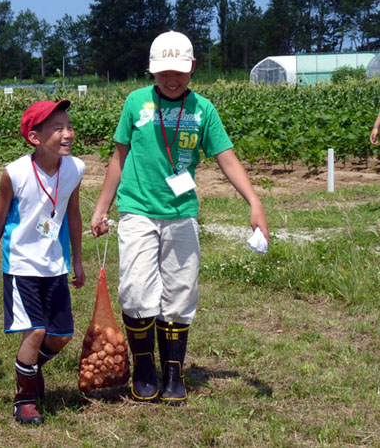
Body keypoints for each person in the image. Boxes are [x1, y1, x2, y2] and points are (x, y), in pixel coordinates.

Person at [90, 31, 269, 406]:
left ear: (192, 68)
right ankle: (144, 369)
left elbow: (226, 157)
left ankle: (173, 373)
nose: (171, 80)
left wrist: (254, 201)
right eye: (163, 73)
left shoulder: (204, 110)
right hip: (137, 209)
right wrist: (102, 207)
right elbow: (119, 156)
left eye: (179, 72)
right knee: (137, 292)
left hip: (181, 213)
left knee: (181, 292)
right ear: (153, 72)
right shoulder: (136, 102)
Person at [0, 100, 85, 425]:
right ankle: (24, 399)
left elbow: (73, 214)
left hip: (55, 265)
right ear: (35, 137)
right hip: (22, 265)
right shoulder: (15, 173)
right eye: (58, 128)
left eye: (69, 126)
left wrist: (77, 260)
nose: (67, 133)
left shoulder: (75, 169)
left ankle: (31, 369)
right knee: (36, 331)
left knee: (62, 334)